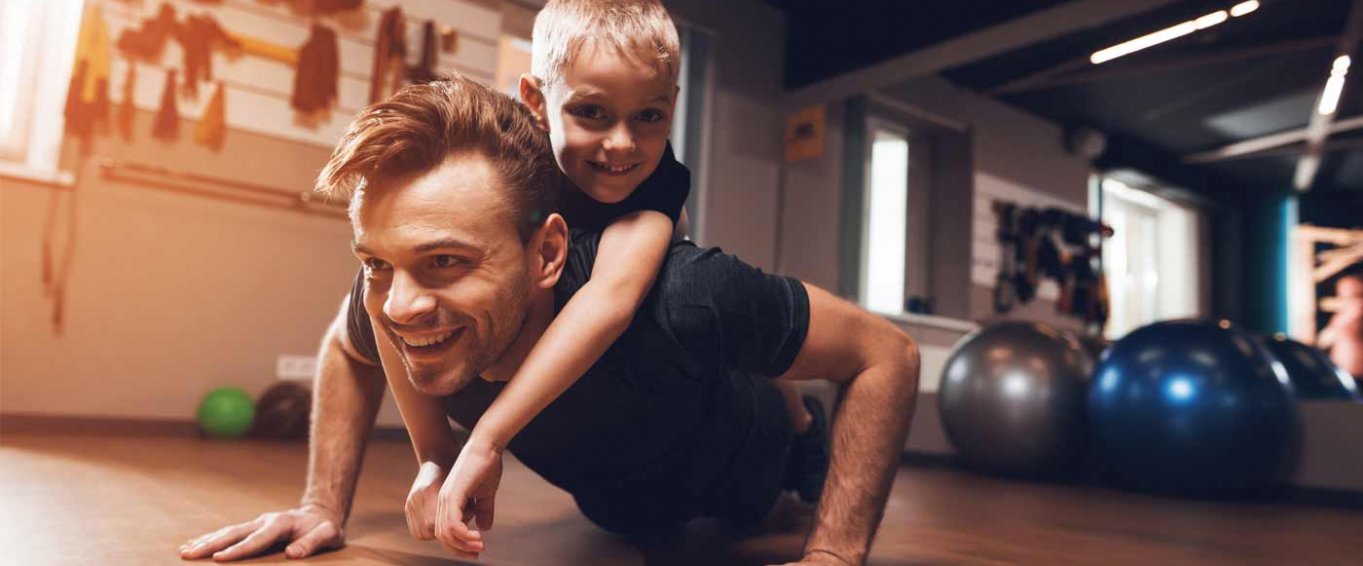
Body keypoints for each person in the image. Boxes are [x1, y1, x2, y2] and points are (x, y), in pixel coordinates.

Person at [179, 75, 919, 566]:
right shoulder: (394, 303)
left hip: (748, 475)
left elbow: (886, 353)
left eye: (444, 262)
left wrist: (831, 554)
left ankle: (803, 435)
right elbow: (347, 346)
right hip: (623, 508)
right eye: (377, 262)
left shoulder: (684, 295)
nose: (399, 304)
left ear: (548, 254)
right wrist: (321, 504)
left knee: (765, 486)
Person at [391, 3, 826, 555]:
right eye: (593, 112)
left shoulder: (655, 184)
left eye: (648, 116)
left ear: (672, 107)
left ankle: (805, 423)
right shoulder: (512, 158)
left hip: (643, 260)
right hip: (574, 257)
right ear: (535, 102)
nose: (622, 144)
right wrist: (435, 453)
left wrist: (487, 438)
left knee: (732, 336)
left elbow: (610, 299)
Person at [1320, 268, 1363, 380]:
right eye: (1344, 296)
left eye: (1357, 295)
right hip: (1345, 376)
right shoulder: (1341, 319)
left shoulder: (1354, 311)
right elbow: (1324, 340)